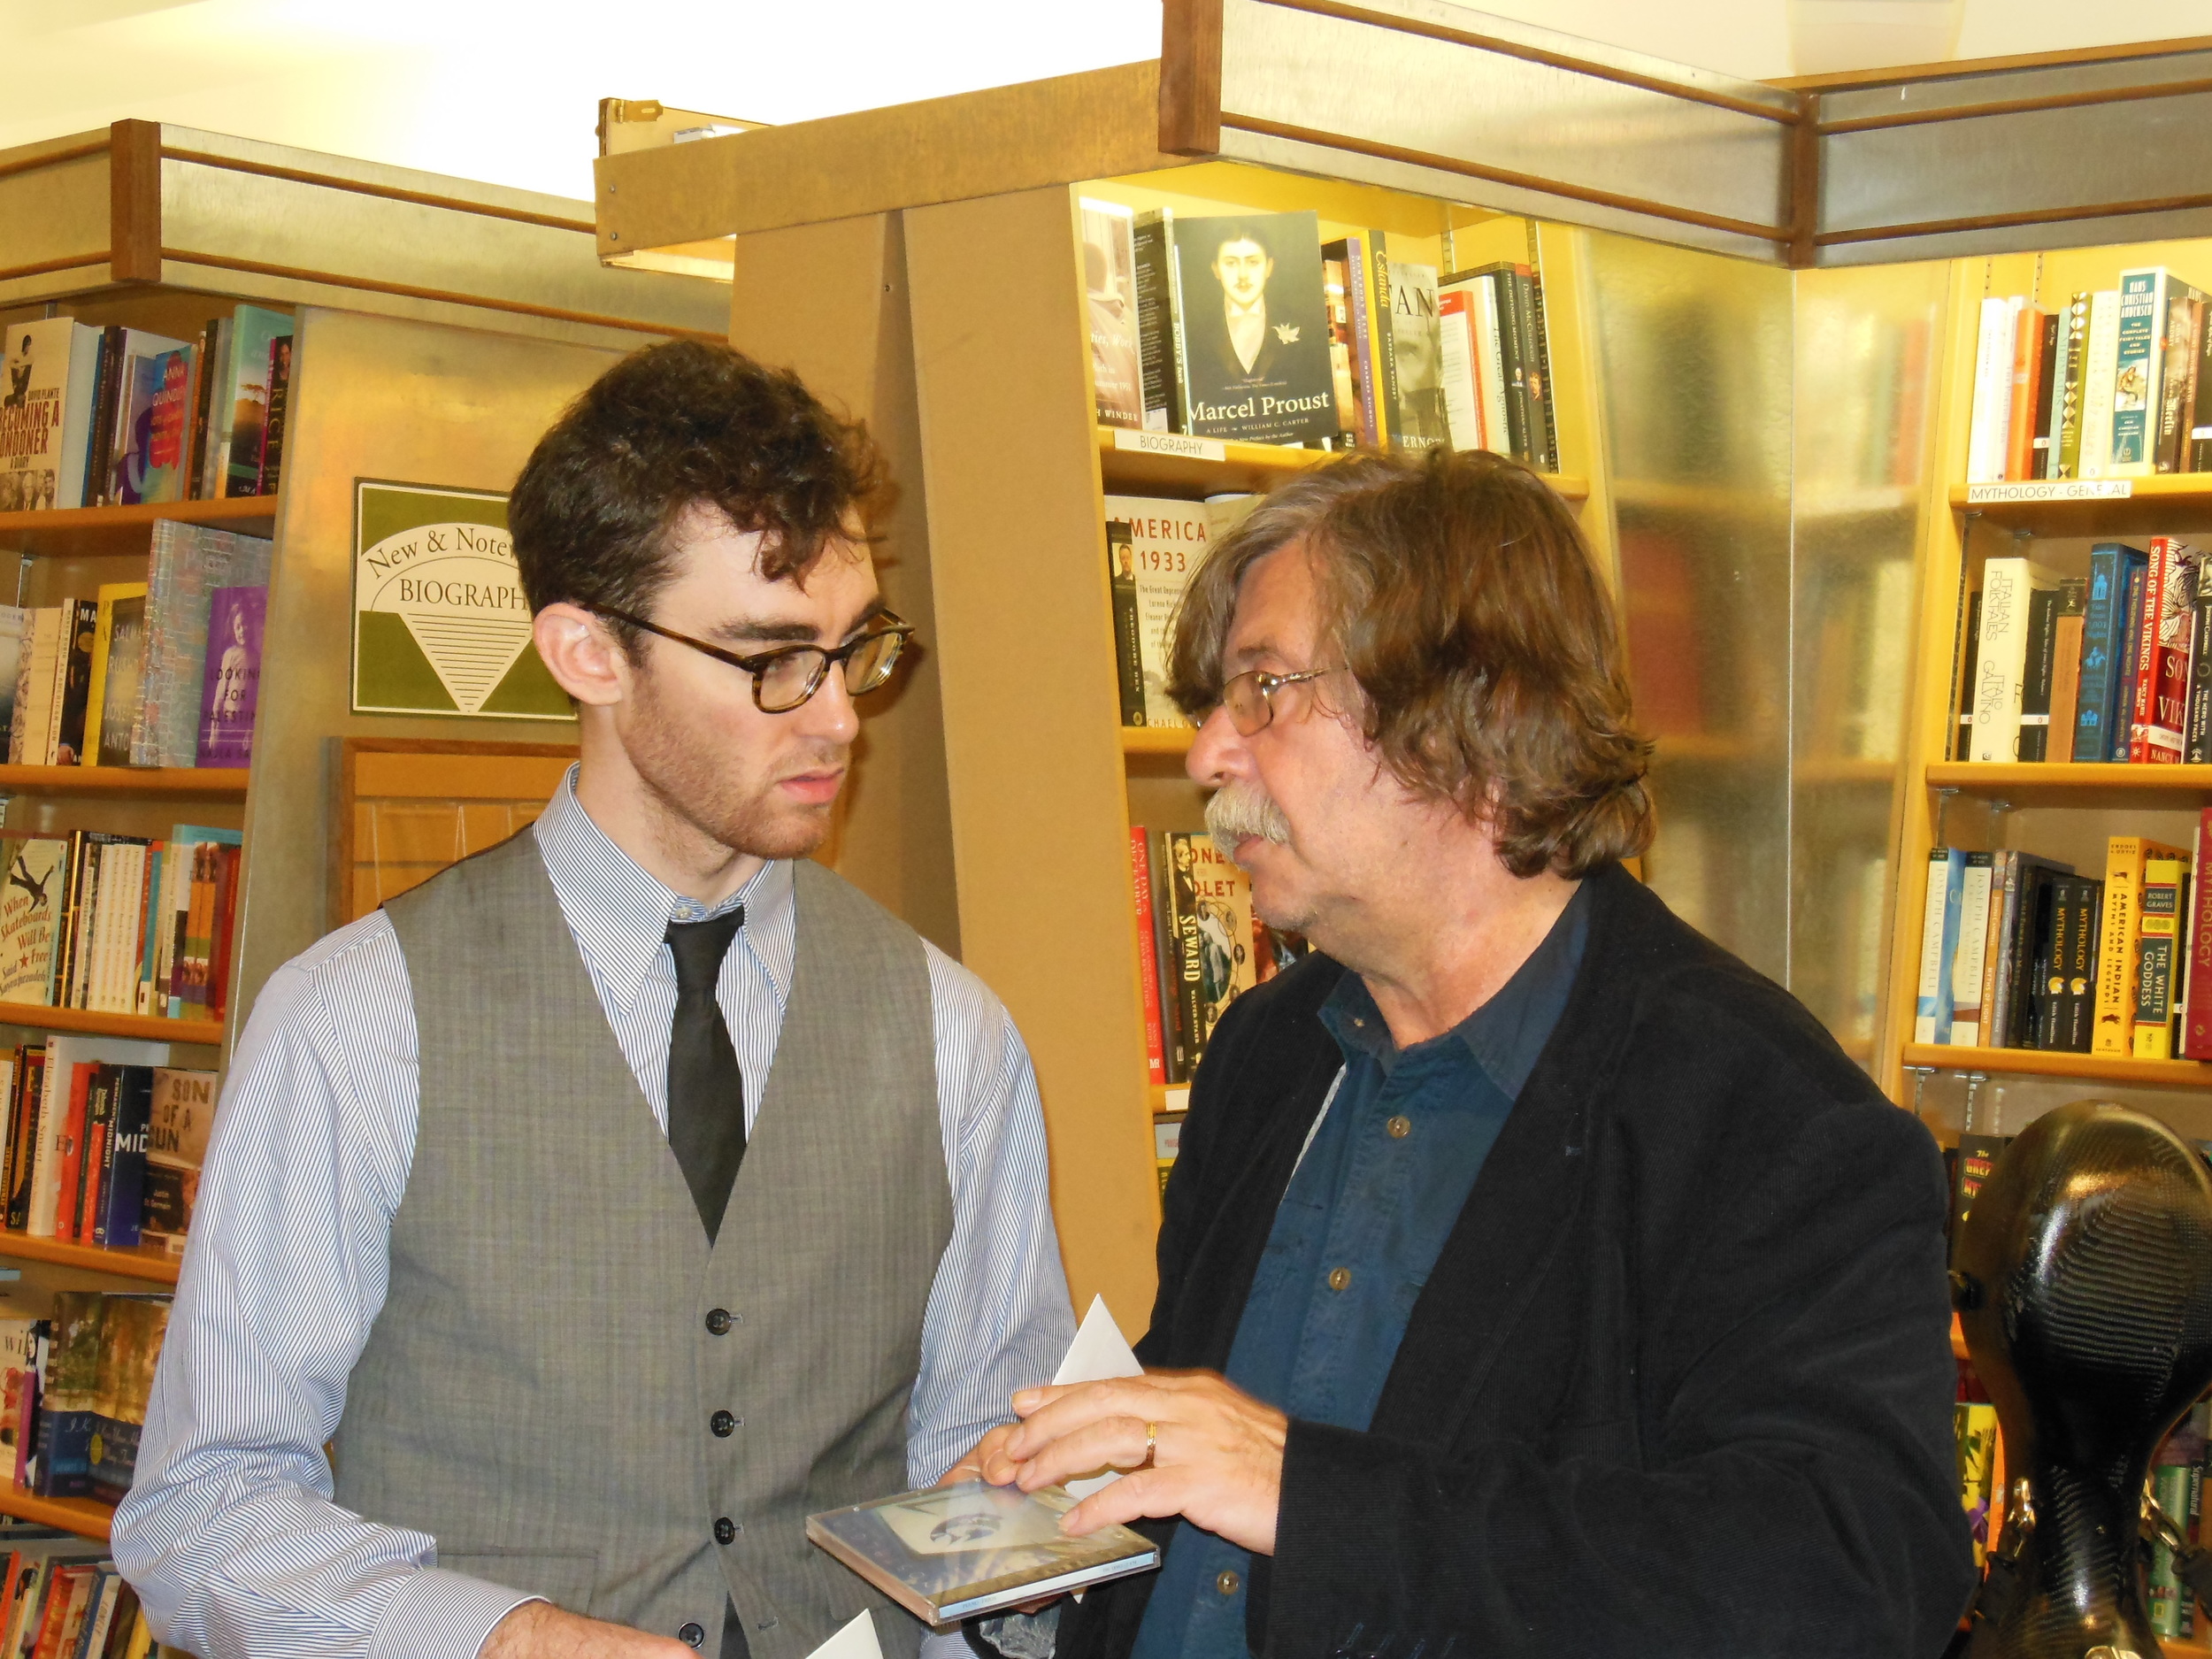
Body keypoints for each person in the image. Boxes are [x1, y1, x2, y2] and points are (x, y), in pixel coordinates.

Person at [111, 339, 1075, 1659]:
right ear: (587, 653)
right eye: (771, 657)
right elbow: (203, 1512)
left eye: (855, 650)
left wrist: (1032, 1549)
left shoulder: (954, 1030)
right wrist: (501, 1638)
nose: (839, 718)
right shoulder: (356, 1020)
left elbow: (984, 1473)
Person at [983, 449, 1975, 1657]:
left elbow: (1846, 1574)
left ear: (1474, 715)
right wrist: (1066, 1505)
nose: (1206, 759)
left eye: (1263, 692)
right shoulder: (1270, 1054)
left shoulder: (1762, 1119)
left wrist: (1309, 1495)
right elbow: (1219, 1438)